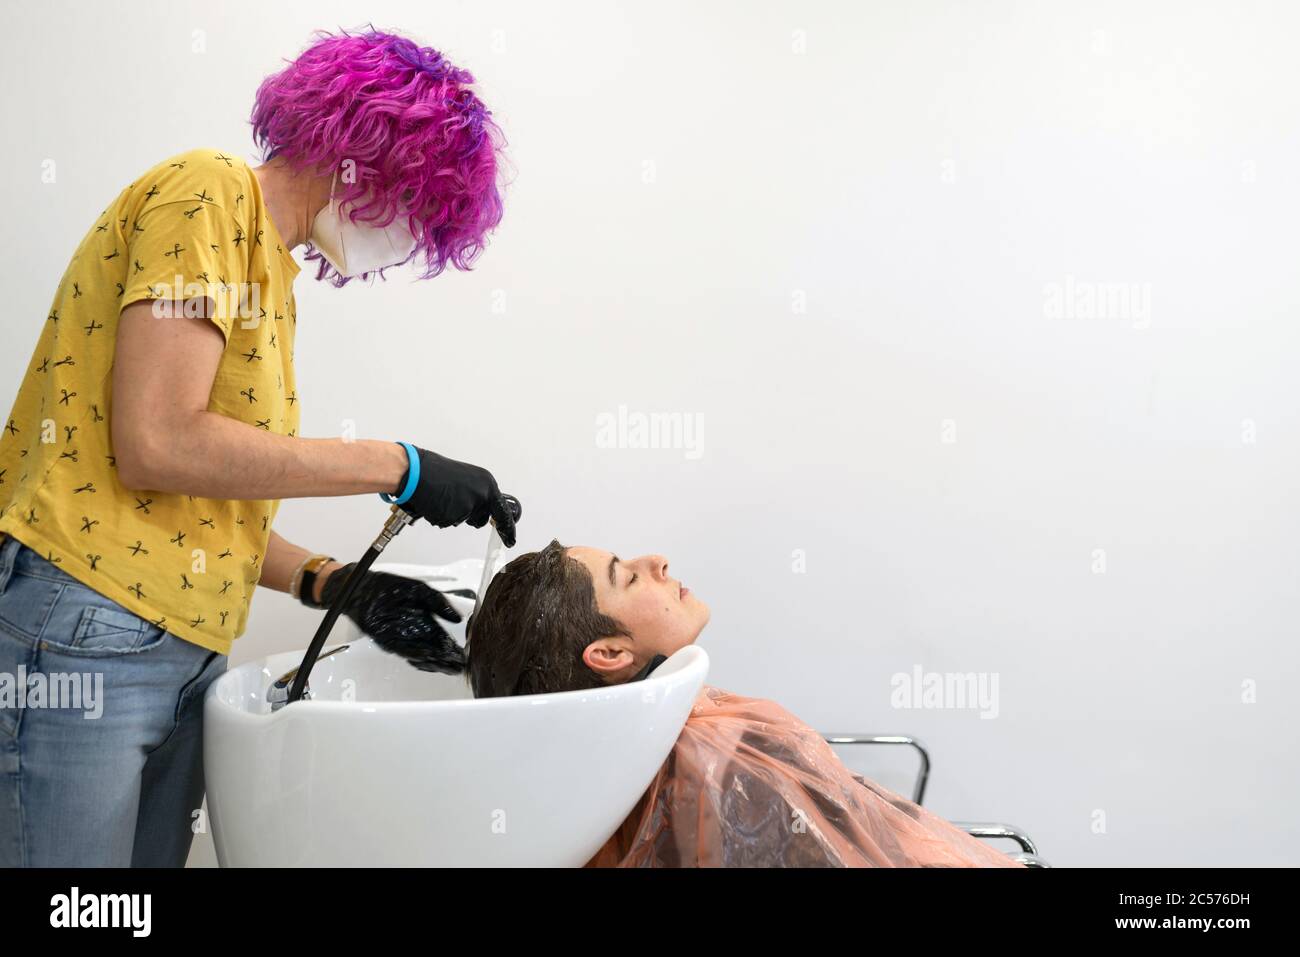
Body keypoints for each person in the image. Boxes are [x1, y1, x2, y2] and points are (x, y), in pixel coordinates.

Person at [0, 28, 519, 867]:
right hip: (88, 634)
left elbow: (191, 503)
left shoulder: (272, 273)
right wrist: (398, 465)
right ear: (368, 150)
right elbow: (158, 442)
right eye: (420, 205)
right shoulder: (207, 194)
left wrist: (335, 583)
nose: (412, 234)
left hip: (180, 647)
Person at [465, 541, 1026, 868]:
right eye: (628, 576)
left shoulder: (588, 771)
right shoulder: (712, 763)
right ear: (609, 652)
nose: (656, 561)